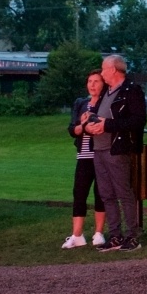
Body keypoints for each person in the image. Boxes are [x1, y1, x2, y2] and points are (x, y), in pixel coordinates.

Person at [86, 54, 146, 253]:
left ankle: (132, 236)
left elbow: (138, 121)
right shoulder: (106, 92)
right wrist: (91, 122)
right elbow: (101, 117)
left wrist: (107, 125)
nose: (101, 73)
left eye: (103, 69)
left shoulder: (131, 91)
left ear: (113, 70)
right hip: (99, 148)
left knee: (123, 192)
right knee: (106, 194)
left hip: (117, 149)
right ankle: (115, 236)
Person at [63, 72, 107, 248]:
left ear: (103, 84)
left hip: (102, 155)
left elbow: (102, 125)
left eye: (96, 81)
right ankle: (77, 235)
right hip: (84, 155)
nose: (92, 85)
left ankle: (99, 233)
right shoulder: (81, 103)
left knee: (101, 194)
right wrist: (83, 125)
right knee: (79, 193)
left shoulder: (106, 103)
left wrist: (90, 124)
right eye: (89, 81)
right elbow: (73, 129)